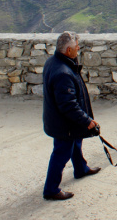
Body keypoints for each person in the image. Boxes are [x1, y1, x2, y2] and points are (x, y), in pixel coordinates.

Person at [42, 31, 101, 201]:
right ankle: (51, 189)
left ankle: (81, 169)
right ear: (68, 50)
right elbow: (68, 105)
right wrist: (87, 120)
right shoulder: (63, 73)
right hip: (64, 124)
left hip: (61, 121)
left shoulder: (54, 62)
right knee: (61, 153)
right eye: (76, 47)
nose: (79, 49)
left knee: (76, 142)